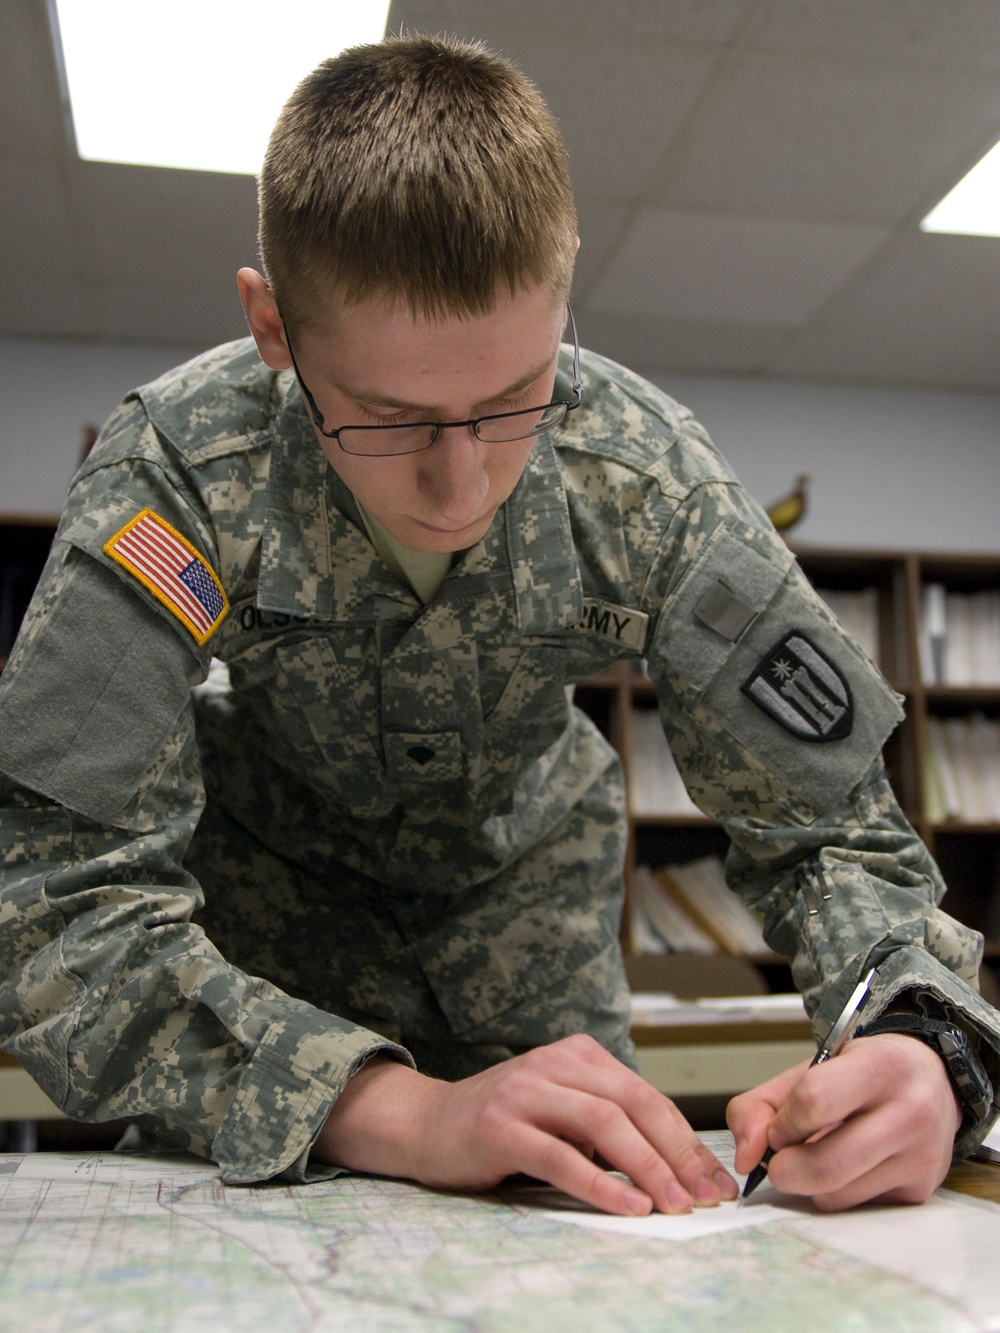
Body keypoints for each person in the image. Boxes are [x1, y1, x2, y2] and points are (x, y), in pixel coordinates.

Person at [0, 35, 996, 1217]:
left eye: (515, 396)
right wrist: (407, 1110)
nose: (463, 483)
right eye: (387, 416)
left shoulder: (641, 476)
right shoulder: (181, 471)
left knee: (608, 1230)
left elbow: (832, 831)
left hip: (533, 894)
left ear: (563, 290)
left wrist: (918, 1044)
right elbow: (59, 904)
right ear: (273, 329)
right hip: (255, 924)